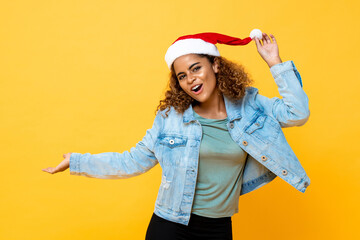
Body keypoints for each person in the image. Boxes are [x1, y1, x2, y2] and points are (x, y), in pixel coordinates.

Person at [43, 30, 311, 240]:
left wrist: (274, 61)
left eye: (196, 68)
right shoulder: (171, 119)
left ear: (215, 65)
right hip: (171, 226)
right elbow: (131, 161)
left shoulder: (250, 105)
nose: (190, 79)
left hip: (218, 228)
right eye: (182, 76)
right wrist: (78, 161)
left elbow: (297, 113)